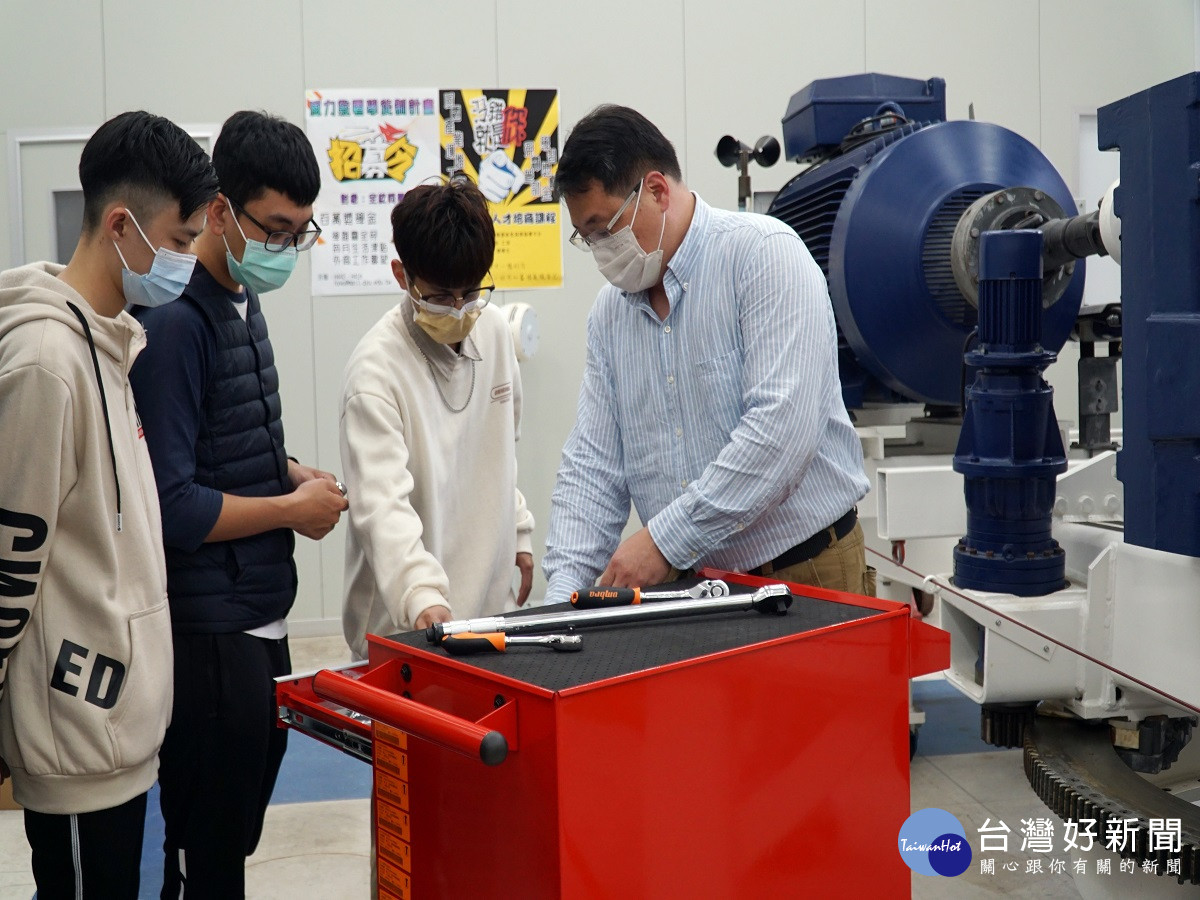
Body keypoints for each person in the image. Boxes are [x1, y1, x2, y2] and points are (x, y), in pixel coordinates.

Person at [128, 110, 348, 899]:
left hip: (260, 613)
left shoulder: (242, 302)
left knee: (239, 826)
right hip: (208, 628)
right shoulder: (178, 323)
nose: (286, 248)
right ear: (220, 210)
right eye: (276, 229)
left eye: (301, 231)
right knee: (209, 851)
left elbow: (225, 441)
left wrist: (288, 474)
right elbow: (175, 504)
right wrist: (291, 512)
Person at [0, 110, 217, 899]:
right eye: (183, 238)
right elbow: (11, 556)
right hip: (74, 736)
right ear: (122, 225)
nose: (189, 258)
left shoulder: (111, 340)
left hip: (119, 729)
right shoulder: (45, 362)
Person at [543, 105, 873, 603]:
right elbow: (593, 466)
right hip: (693, 586)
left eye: (604, 228)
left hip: (805, 571)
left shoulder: (763, 258)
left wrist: (664, 540)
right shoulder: (610, 316)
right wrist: (560, 599)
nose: (600, 248)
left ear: (655, 191)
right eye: (586, 237)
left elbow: (779, 433)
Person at [341, 179, 534, 658]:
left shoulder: (491, 332)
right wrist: (421, 596)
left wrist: (521, 531)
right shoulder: (375, 372)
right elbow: (382, 506)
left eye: (471, 291)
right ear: (401, 274)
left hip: (489, 617)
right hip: (407, 629)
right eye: (442, 295)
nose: (459, 309)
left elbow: (502, 453)